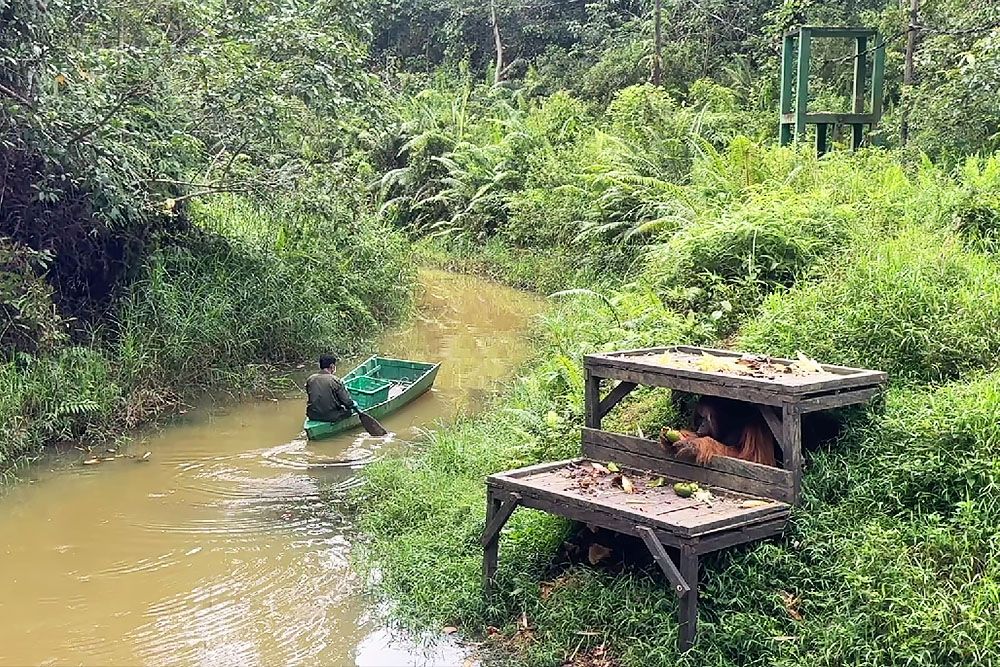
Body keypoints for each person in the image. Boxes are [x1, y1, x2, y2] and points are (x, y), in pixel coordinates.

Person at [305, 354, 358, 422]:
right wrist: (352, 404)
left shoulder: (310, 379)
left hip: (313, 415)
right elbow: (347, 402)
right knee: (349, 411)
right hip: (331, 416)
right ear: (332, 366)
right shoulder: (335, 380)